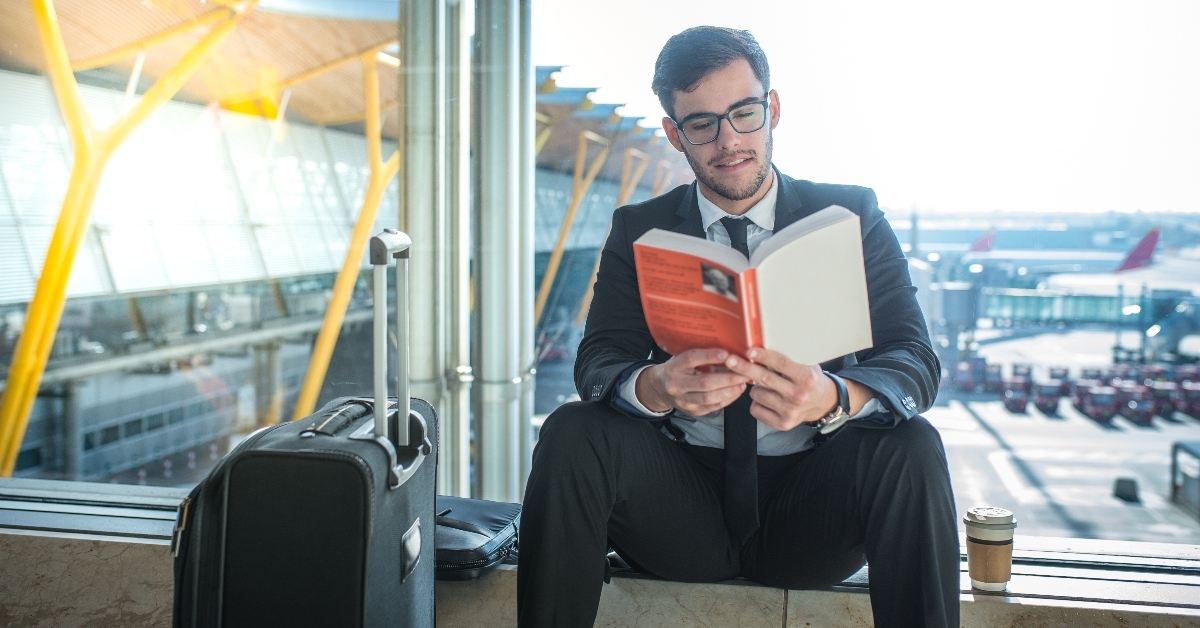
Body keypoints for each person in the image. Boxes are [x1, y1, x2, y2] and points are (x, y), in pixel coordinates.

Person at [518, 26, 958, 628]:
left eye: (744, 113)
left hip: (813, 503)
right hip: (680, 505)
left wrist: (832, 398)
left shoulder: (850, 214)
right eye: (701, 123)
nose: (728, 140)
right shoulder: (638, 227)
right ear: (675, 134)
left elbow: (915, 360)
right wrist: (658, 388)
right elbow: (597, 363)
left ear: (771, 109)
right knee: (572, 429)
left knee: (913, 446)